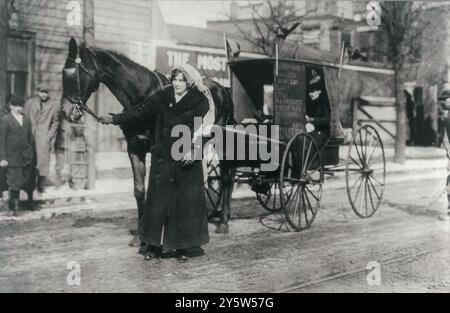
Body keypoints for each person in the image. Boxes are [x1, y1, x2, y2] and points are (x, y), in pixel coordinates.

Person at [99, 65, 212, 261]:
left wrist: (193, 151)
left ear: (189, 82)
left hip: (185, 157)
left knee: (182, 203)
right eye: (174, 79)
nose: (176, 83)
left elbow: (202, 130)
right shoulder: (163, 96)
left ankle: (182, 247)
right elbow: (141, 111)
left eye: (181, 80)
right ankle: (152, 245)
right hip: (163, 156)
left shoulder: (199, 102)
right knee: (158, 202)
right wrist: (114, 119)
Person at [0, 95, 36, 216]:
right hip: (12, 156)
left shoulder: (26, 119)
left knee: (25, 180)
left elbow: (30, 138)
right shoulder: (6, 119)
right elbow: (2, 140)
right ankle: (14, 207)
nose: (18, 108)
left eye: (20, 105)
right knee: (14, 181)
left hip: (25, 156)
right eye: (15, 105)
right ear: (10, 106)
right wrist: (3, 157)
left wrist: (29, 150)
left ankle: (28, 202)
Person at [24, 82, 60, 193]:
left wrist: (49, 135)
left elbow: (55, 122)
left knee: (42, 163)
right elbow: (25, 118)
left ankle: (40, 184)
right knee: (29, 160)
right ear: (37, 92)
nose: (44, 95)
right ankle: (28, 185)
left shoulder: (53, 105)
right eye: (41, 92)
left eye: (46, 92)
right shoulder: (30, 103)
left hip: (43, 137)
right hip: (30, 136)